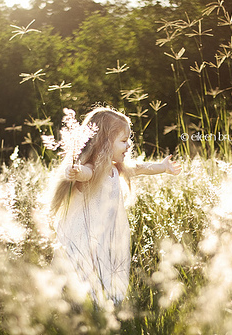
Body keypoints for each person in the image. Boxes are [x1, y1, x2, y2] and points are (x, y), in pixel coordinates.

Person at [50, 106, 181, 306]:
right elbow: (86, 172)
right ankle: (85, 308)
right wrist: (75, 172)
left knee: (104, 270)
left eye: (129, 139)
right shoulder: (95, 169)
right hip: (86, 235)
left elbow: (140, 168)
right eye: (123, 140)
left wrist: (163, 167)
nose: (129, 145)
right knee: (87, 273)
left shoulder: (115, 169)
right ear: (103, 142)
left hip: (105, 236)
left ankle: (100, 307)